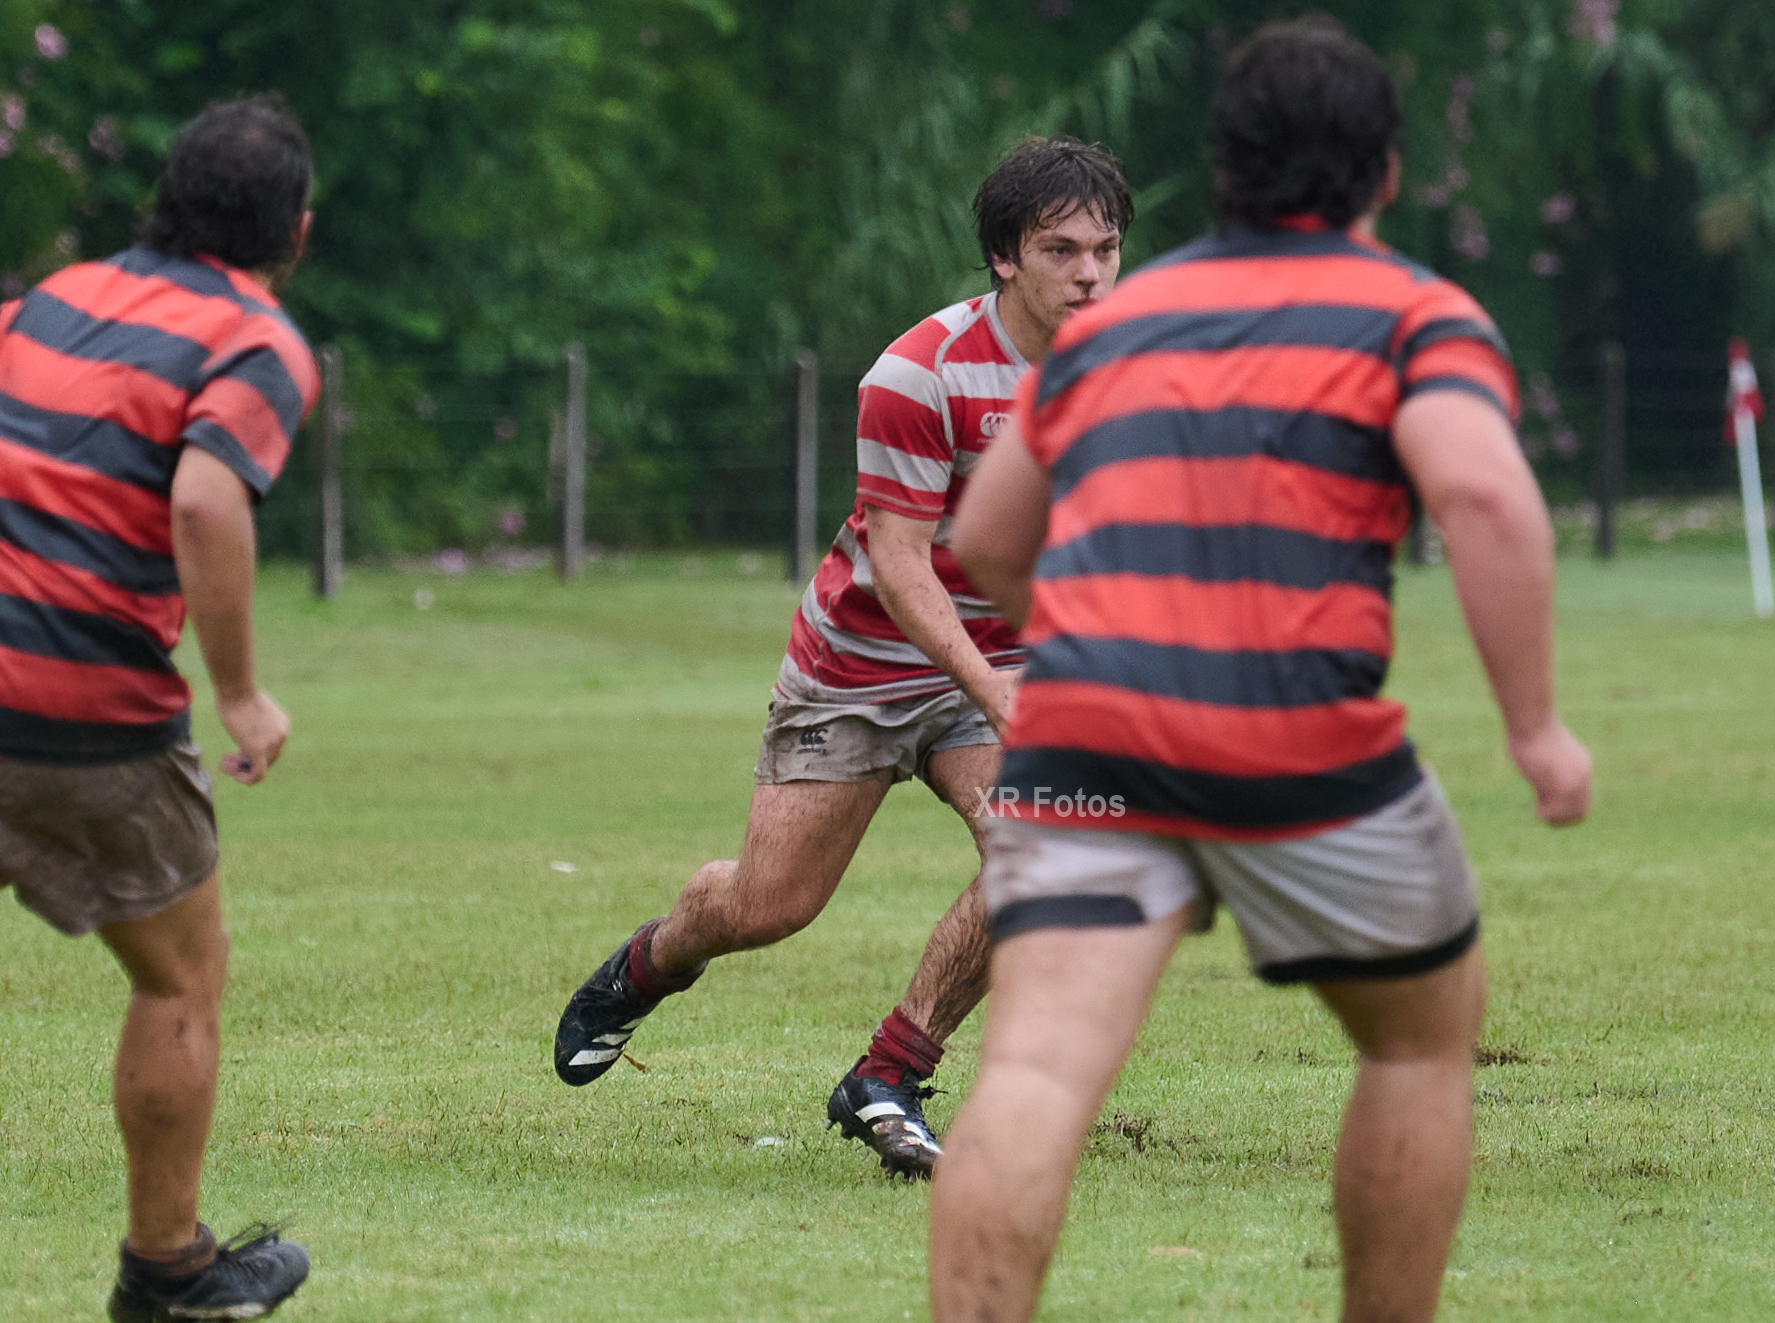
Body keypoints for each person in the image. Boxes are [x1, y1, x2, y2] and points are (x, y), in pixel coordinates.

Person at [929, 17, 1593, 1322]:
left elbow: (991, 536)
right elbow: (1490, 500)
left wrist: (1094, 653)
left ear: (1221, 168)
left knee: (1036, 1077)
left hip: (1083, 742)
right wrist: (1536, 729)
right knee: (1416, 1039)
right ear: (1389, 175)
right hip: (1304, 748)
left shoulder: (1121, 323)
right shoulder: (1415, 312)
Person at [553, 137, 1132, 1179]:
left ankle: (888, 1074)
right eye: (1060, 250)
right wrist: (992, 685)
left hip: (1006, 661)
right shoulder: (920, 374)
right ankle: (652, 963)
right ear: (1004, 257)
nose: (1089, 273)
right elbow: (902, 568)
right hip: (864, 665)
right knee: (770, 907)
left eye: (1104, 248)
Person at [0, 95, 319, 1322]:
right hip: (86, 713)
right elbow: (203, 501)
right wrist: (238, 694)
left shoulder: (54, 296)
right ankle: (168, 1271)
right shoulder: (253, 339)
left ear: (166, 199)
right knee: (180, 974)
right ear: (294, 228)